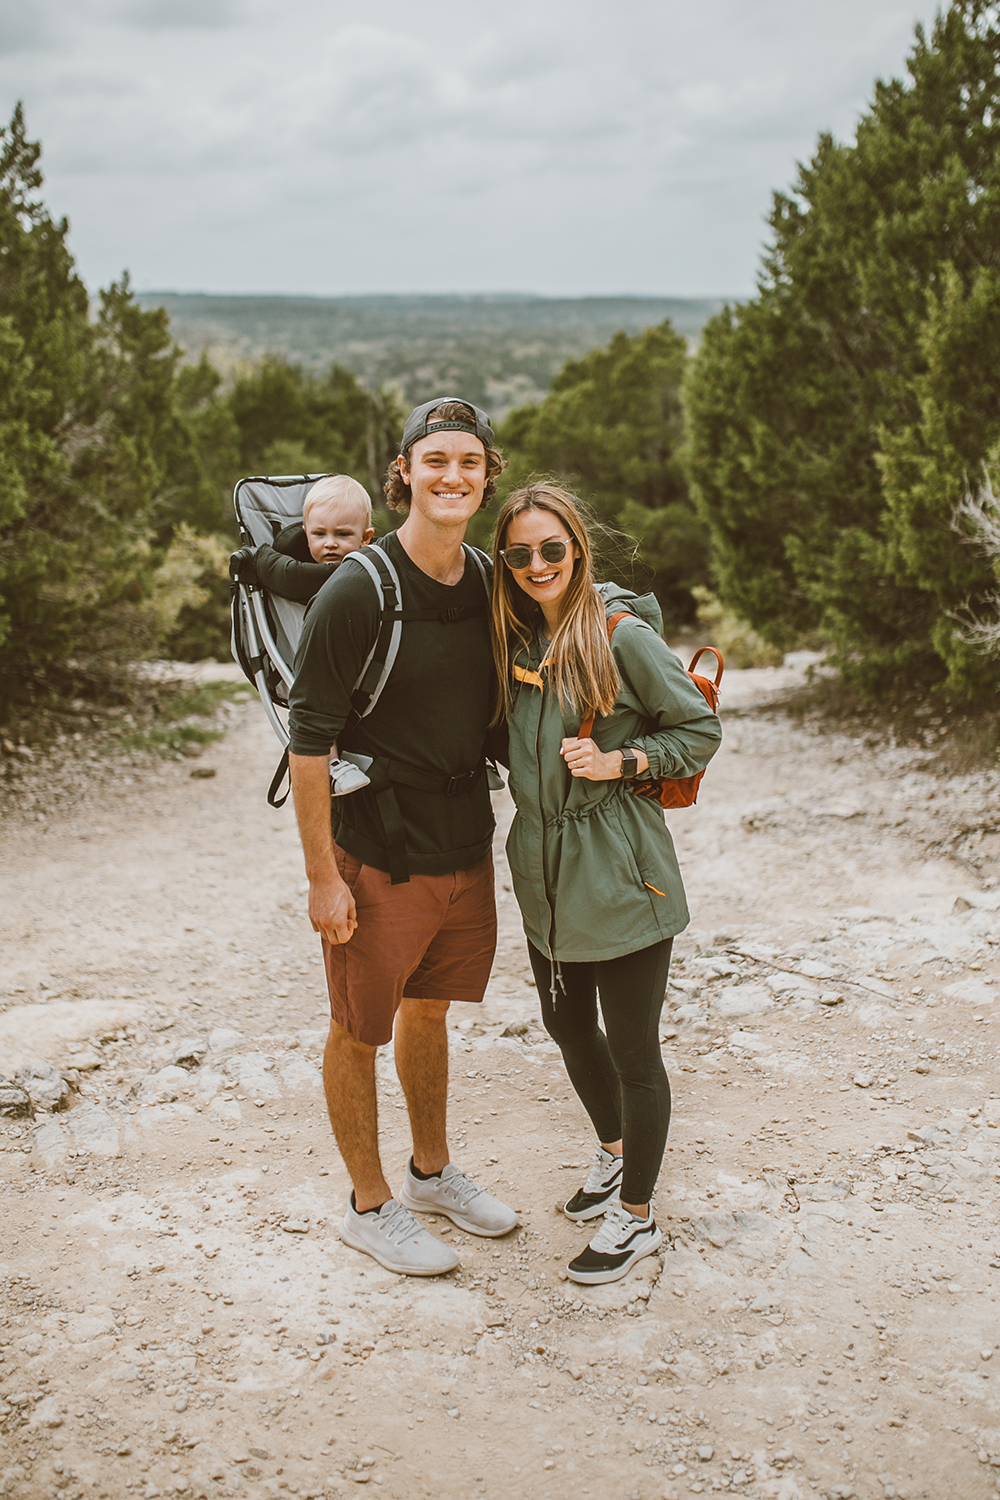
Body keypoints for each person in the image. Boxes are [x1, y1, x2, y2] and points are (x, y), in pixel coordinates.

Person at [287, 398, 517, 1277]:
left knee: (429, 1011)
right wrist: (322, 878)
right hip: (377, 848)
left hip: (463, 840)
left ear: (487, 476)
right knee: (357, 1028)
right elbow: (309, 744)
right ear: (405, 476)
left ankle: (431, 1173)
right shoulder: (359, 590)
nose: (453, 476)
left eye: (469, 461)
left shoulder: (489, 582)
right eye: (436, 461)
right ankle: (368, 1204)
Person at [490, 482, 722, 1285]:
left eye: (551, 548)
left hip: (620, 870)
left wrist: (623, 760)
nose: (536, 564)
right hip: (542, 871)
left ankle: (637, 1216)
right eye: (517, 553)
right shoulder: (515, 639)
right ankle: (614, 1154)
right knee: (563, 1024)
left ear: (578, 549)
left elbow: (699, 728)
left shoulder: (621, 637)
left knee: (633, 1051)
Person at [253, 474, 375, 604]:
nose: (330, 544)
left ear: (365, 538)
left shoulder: (375, 569)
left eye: (343, 534)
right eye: (320, 534)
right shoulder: (292, 568)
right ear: (307, 536)